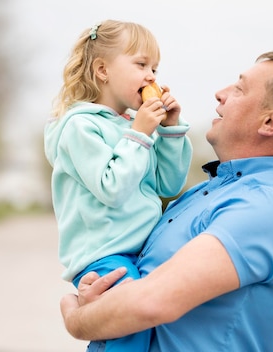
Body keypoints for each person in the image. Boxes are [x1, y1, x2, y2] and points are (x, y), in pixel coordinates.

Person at [60, 50, 273, 352]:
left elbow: (152, 302)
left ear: (271, 121)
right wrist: (101, 294)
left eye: (239, 89)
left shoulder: (261, 207)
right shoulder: (208, 192)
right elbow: (135, 284)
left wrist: (77, 316)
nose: (220, 94)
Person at [44, 20, 193, 352]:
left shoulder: (129, 127)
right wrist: (139, 134)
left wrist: (169, 132)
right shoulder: (80, 128)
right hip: (105, 253)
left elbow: (168, 184)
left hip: (140, 250)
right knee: (130, 328)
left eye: (154, 67)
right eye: (141, 64)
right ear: (102, 70)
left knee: (139, 331)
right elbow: (111, 188)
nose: (152, 75)